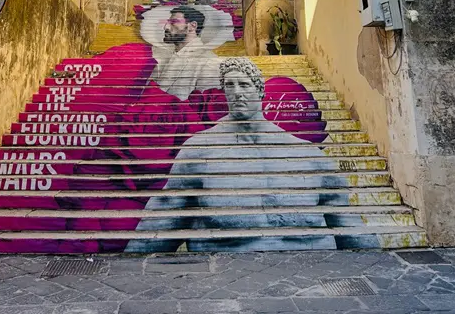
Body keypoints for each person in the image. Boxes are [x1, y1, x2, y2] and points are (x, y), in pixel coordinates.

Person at [125, 57, 338, 253]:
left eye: (244, 85)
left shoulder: (308, 155)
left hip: (309, 272)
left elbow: (346, 223)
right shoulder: (199, 151)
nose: (236, 92)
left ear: (260, 91)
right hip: (228, 272)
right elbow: (159, 225)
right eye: (229, 85)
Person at [149, 6, 221, 99]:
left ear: (192, 26)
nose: (165, 27)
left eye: (173, 22)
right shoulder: (163, 58)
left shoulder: (209, 61)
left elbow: (205, 104)